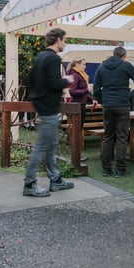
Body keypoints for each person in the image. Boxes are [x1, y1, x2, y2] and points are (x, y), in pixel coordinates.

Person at [23, 28, 75, 197]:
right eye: (64, 40)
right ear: (58, 40)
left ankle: (55, 179)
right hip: (49, 108)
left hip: (42, 106)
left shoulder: (39, 57)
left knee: (51, 145)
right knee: (41, 147)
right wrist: (67, 80)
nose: (65, 43)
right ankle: (30, 184)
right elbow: (54, 83)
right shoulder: (53, 58)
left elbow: (29, 81)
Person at [93, 46, 134, 177]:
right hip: (122, 104)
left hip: (108, 105)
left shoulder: (101, 67)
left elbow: (96, 89)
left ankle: (106, 168)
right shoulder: (125, 65)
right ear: (124, 56)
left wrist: (103, 100)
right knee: (121, 137)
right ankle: (120, 169)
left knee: (108, 136)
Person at [66, 58, 97, 132]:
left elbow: (85, 92)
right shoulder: (75, 75)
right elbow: (72, 92)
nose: (85, 66)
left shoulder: (82, 75)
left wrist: (92, 99)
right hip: (77, 105)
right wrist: (87, 90)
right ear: (77, 65)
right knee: (78, 128)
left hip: (82, 104)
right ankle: (76, 143)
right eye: (83, 64)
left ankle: (78, 142)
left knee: (80, 127)